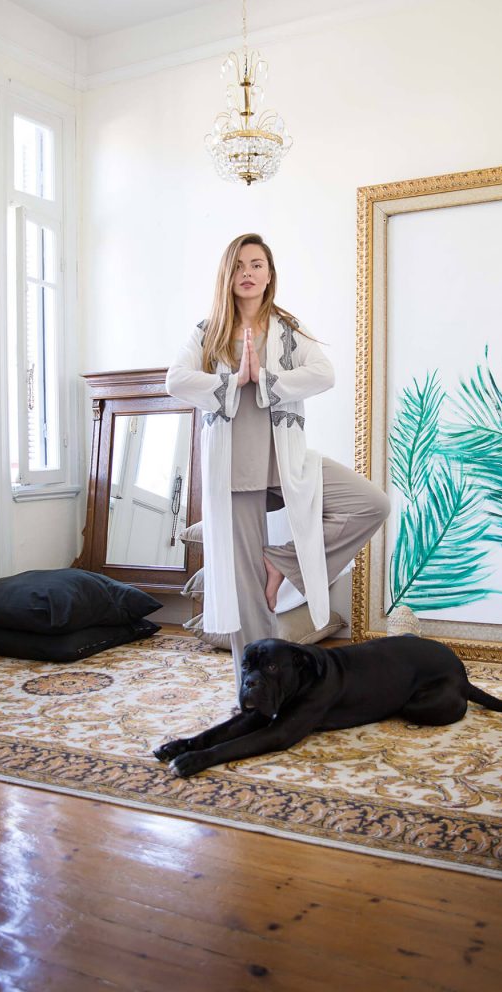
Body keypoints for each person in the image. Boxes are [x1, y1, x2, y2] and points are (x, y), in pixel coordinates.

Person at [166, 232, 390, 692]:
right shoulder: (207, 332)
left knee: (372, 504)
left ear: (270, 274)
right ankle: (255, 689)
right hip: (234, 469)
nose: (248, 273)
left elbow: (324, 373)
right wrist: (234, 382)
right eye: (239, 265)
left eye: (257, 264)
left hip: (285, 459)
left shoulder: (288, 328)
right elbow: (176, 380)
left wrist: (265, 379)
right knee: (247, 593)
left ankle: (281, 562)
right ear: (227, 275)